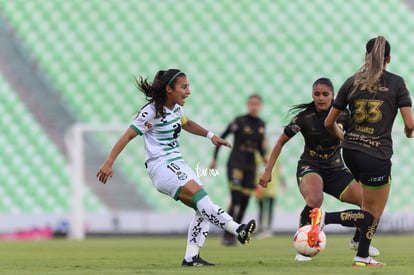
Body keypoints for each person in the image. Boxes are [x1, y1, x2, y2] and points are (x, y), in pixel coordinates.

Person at [96, 69, 257, 267]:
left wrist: (211, 136)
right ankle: (238, 229)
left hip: (178, 163)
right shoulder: (151, 111)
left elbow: (187, 124)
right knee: (202, 200)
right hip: (161, 166)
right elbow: (127, 136)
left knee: (202, 206)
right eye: (184, 87)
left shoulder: (176, 109)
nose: (188, 91)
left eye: (188, 86)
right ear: (169, 89)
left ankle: (191, 257)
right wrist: (109, 162)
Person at [314, 36, 414, 266]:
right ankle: (324, 218)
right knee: (372, 214)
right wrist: (409, 134)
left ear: (365, 57)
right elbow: (410, 125)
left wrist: (344, 138)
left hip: (350, 152)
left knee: (368, 207)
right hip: (376, 154)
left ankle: (362, 254)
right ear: (388, 59)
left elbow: (330, 122)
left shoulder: (351, 82)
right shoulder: (397, 83)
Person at [258, 77, 379, 261]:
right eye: (317, 94)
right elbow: (280, 142)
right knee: (315, 199)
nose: (321, 98)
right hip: (310, 166)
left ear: (333, 96)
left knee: (370, 204)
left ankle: (357, 240)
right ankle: (303, 247)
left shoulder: (345, 115)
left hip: (336, 169)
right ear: (312, 95)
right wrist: (268, 171)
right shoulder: (304, 118)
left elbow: (355, 142)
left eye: (325, 94)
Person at [209, 94, 266, 246]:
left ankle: (236, 232)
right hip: (236, 165)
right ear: (248, 105)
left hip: (250, 167)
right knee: (236, 200)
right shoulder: (239, 121)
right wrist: (214, 158)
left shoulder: (261, 124)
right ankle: (227, 234)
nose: (254, 107)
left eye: (257, 104)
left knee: (246, 201)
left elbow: (259, 147)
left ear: (260, 106)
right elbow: (222, 137)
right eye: (251, 104)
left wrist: (265, 159)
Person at [255, 157, 286, 239]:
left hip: (272, 187)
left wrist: (283, 182)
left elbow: (279, 171)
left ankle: (268, 229)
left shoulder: (272, 157)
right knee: (261, 209)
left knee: (270, 209)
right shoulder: (258, 156)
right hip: (260, 187)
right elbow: (255, 172)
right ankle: (261, 228)